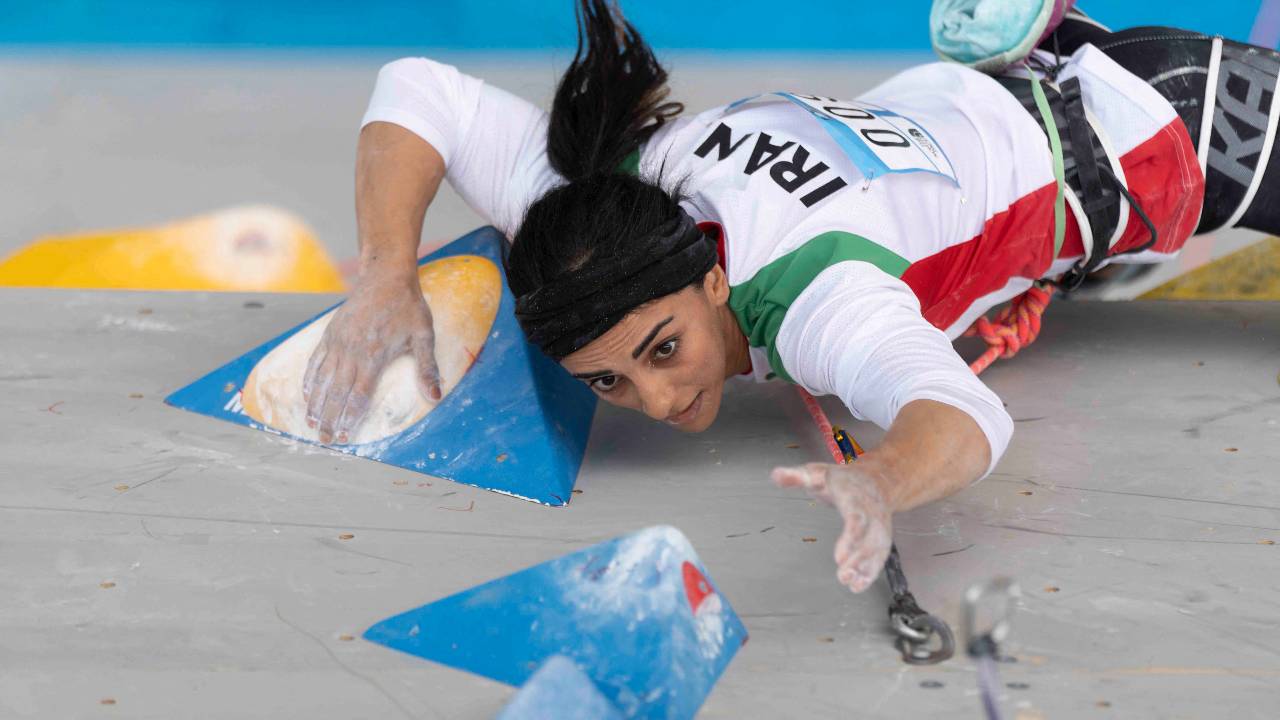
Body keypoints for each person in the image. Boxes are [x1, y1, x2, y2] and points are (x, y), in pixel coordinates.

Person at [301, 0, 1280, 594]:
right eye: (603, 384)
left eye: (659, 351)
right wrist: (386, 274)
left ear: (714, 279)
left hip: (1177, 131)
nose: (656, 401)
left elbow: (966, 418)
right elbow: (418, 89)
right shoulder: (593, 207)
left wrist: (882, 479)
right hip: (1024, 91)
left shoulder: (820, 303)